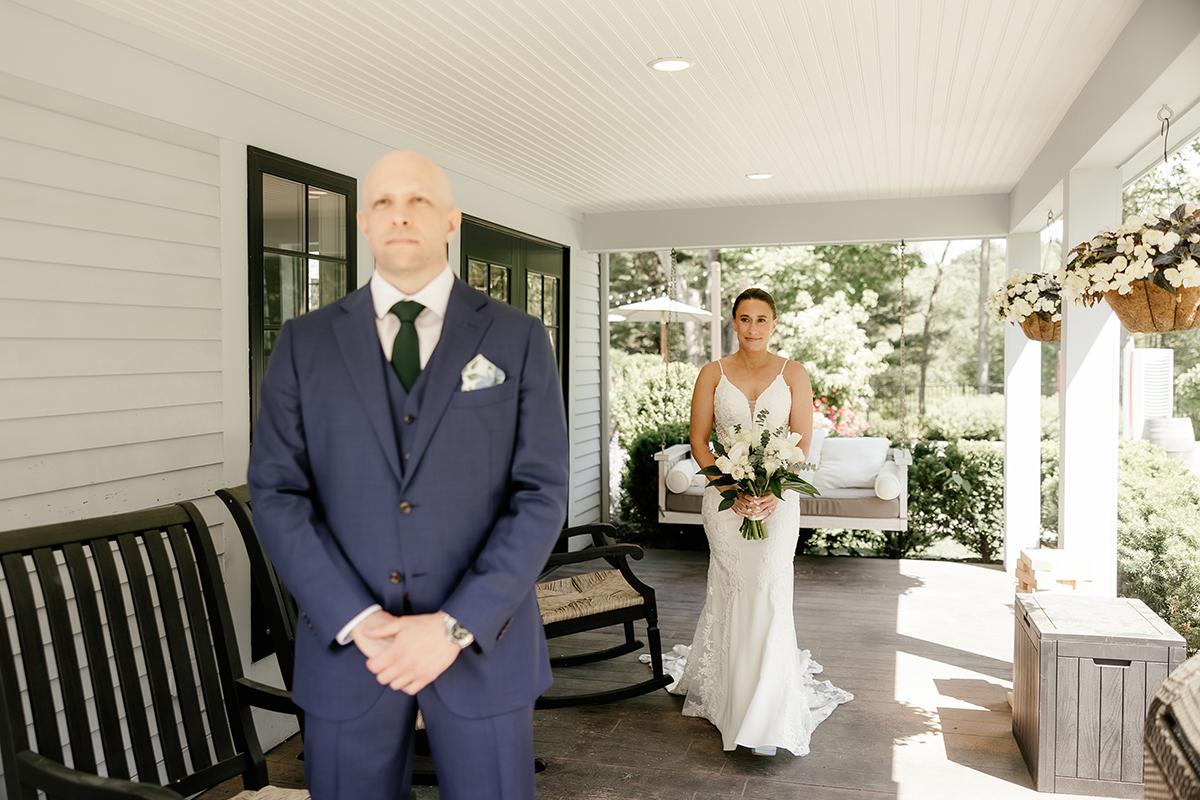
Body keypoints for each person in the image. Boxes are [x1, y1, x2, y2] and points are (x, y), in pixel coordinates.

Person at [248, 149, 569, 799]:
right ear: (364, 222)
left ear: (451, 220)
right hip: (348, 653)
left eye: (418, 200)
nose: (400, 215)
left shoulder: (519, 337)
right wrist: (357, 619)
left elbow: (540, 494)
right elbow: (278, 493)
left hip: (485, 649)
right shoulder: (304, 343)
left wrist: (454, 625)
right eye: (384, 203)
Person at [664, 287, 852, 756]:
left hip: (777, 501)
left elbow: (802, 442)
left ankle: (767, 712)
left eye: (761, 319)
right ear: (734, 322)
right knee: (732, 590)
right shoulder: (712, 373)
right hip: (725, 504)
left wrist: (773, 492)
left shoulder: (794, 373)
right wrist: (731, 490)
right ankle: (731, 698)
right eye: (744, 319)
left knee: (768, 589)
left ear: (774, 323)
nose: (752, 328)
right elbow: (700, 442)